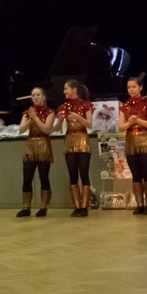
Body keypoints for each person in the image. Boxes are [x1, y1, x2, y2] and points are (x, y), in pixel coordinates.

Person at [55, 79, 95, 217]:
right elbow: (58, 128)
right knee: (72, 174)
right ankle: (76, 206)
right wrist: (60, 120)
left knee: (84, 173)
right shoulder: (63, 107)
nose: (64, 91)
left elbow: (89, 124)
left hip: (82, 139)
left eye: (66, 88)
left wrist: (78, 116)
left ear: (74, 89)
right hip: (69, 141)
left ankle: (84, 207)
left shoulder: (86, 105)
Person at [119, 77, 147, 215]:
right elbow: (121, 127)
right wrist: (130, 123)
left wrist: (138, 121)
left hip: (145, 141)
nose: (131, 90)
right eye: (129, 87)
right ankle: (139, 204)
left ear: (140, 87)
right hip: (131, 143)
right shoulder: (124, 107)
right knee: (136, 174)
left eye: (134, 86)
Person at [16, 86, 55, 218]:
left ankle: (43, 207)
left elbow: (46, 130)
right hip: (30, 145)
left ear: (43, 97)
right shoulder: (27, 113)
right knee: (27, 178)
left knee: (44, 177)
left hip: (43, 144)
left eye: (38, 95)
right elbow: (21, 129)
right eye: (33, 95)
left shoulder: (50, 112)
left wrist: (35, 117)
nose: (35, 97)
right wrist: (30, 119)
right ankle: (26, 207)